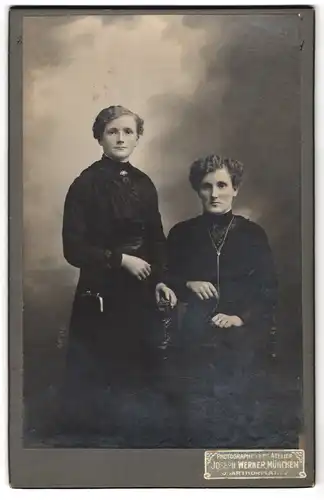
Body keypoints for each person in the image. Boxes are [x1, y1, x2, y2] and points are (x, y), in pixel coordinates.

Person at [59, 105, 176, 447]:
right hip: (101, 291)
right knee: (101, 371)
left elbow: (156, 239)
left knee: (142, 369)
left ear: (138, 138)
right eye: (113, 131)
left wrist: (161, 280)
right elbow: (73, 249)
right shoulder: (85, 184)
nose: (121, 138)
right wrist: (120, 259)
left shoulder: (144, 183)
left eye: (128, 131)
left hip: (140, 292)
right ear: (99, 137)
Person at [165, 154, 298, 448]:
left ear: (235, 189)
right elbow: (165, 277)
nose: (214, 194)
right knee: (194, 412)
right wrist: (188, 283)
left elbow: (268, 287)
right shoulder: (181, 233)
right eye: (206, 186)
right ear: (196, 190)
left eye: (222, 185)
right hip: (196, 330)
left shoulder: (252, 234)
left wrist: (240, 317)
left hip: (242, 330)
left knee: (238, 409)